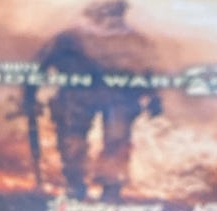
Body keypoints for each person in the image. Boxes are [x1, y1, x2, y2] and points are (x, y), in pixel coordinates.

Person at [24, 0, 162, 200]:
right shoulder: (69, 37)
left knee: (116, 141)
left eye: (115, 12)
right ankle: (75, 185)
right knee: (73, 141)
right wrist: (29, 94)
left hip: (119, 97)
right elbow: (39, 66)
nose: (112, 18)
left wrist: (154, 96)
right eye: (108, 11)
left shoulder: (135, 40)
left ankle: (110, 188)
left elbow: (149, 70)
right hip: (78, 95)